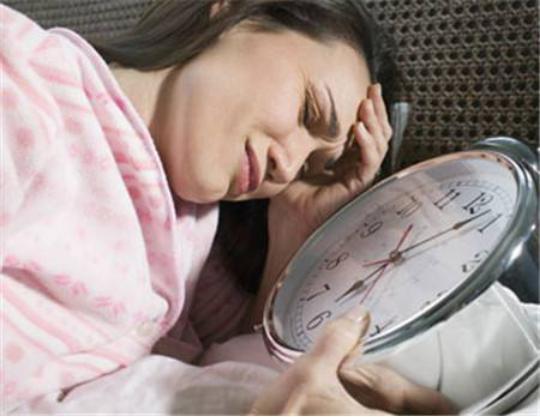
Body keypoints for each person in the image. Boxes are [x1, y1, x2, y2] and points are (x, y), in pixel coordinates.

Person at [0, 0, 453, 414]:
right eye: (308, 111)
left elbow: (242, 359)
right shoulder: (29, 81)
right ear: (233, 14)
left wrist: (293, 227)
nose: (287, 166)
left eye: (310, 167)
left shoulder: (196, 239)